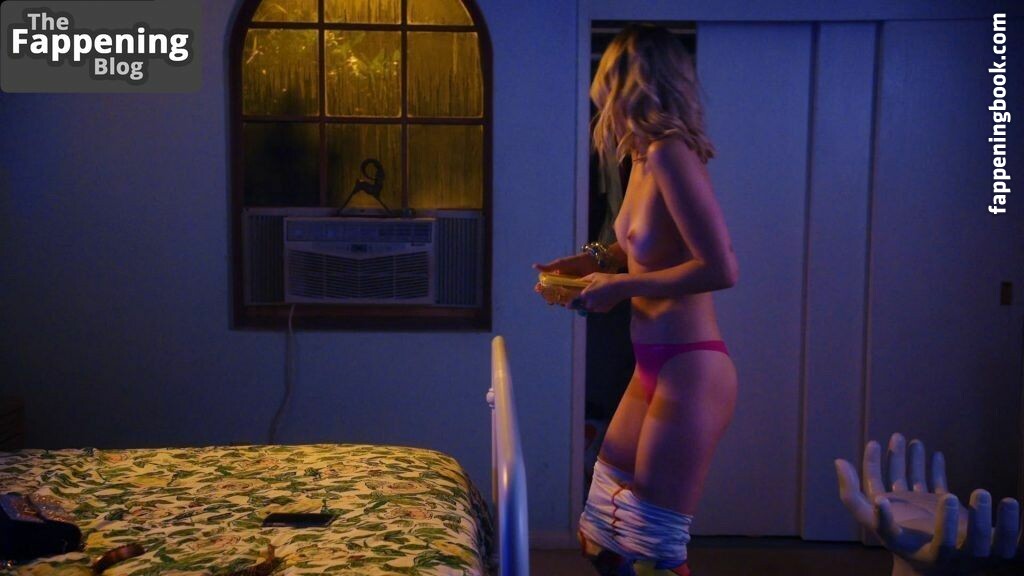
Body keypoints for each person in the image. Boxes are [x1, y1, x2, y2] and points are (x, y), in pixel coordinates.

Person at [533, 23, 739, 576]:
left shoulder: (672, 154)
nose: (601, 99)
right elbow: (641, 247)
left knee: (652, 552)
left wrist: (622, 287)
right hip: (649, 367)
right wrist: (592, 262)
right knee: (601, 536)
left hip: (690, 368)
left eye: (608, 82)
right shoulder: (642, 156)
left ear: (633, 84)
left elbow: (721, 268)